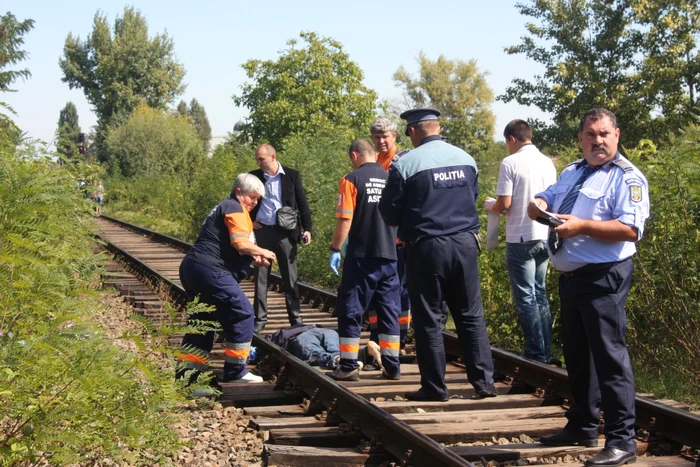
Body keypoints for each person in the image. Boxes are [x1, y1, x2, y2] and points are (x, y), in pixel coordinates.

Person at [530, 109, 649, 467]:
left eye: (604, 134)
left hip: (603, 276)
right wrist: (539, 206)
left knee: (610, 358)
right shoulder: (573, 170)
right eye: (590, 135)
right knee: (579, 356)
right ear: (580, 138)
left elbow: (631, 229)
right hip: (572, 277)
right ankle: (582, 423)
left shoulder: (627, 178)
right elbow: (549, 196)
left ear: (617, 135)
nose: (598, 141)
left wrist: (582, 226)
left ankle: (621, 440)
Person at [379, 108, 497, 401]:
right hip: (466, 243)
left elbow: (389, 212)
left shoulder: (406, 164)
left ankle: (434, 387)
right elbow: (471, 198)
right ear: (436, 127)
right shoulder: (466, 159)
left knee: (429, 317)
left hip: (426, 247)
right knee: (470, 315)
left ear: (414, 131)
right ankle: (484, 383)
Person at [176, 174, 277, 385]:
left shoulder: (227, 207)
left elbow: (234, 245)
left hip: (194, 267)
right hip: (210, 270)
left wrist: (253, 258)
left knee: (202, 325)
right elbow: (240, 243)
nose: (254, 203)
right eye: (252, 197)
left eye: (258, 199)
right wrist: (264, 251)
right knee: (242, 314)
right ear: (239, 192)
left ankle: (187, 382)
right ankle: (235, 370)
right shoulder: (234, 207)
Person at [327, 139, 401, 382]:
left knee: (351, 309)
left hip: (361, 256)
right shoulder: (392, 177)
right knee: (388, 310)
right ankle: (392, 364)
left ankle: (348, 365)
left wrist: (336, 247)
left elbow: (345, 219)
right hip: (389, 254)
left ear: (355, 156)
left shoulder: (351, 179)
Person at [484, 120, 557, 363]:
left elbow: (504, 203)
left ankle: (536, 353)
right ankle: (546, 351)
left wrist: (490, 206)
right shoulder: (548, 162)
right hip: (545, 236)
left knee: (526, 297)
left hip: (521, 236)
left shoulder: (510, 162)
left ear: (511, 139)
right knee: (540, 294)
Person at [249, 144, 313, 332]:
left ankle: (295, 319)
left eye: (262, 159)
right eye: (257, 159)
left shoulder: (292, 175)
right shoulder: (254, 177)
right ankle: (259, 319)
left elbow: (302, 203)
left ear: (273, 157)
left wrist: (308, 228)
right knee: (260, 278)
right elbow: (242, 202)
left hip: (286, 233)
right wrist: (249, 223)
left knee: (290, 278)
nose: (259, 163)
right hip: (263, 232)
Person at [368, 117, 411, 357]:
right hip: (377, 236)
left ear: (395, 136)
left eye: (385, 136)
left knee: (400, 289)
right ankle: (377, 334)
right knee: (376, 289)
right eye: (377, 137)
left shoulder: (404, 161)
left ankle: (400, 338)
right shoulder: (372, 162)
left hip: (397, 237)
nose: (382, 141)